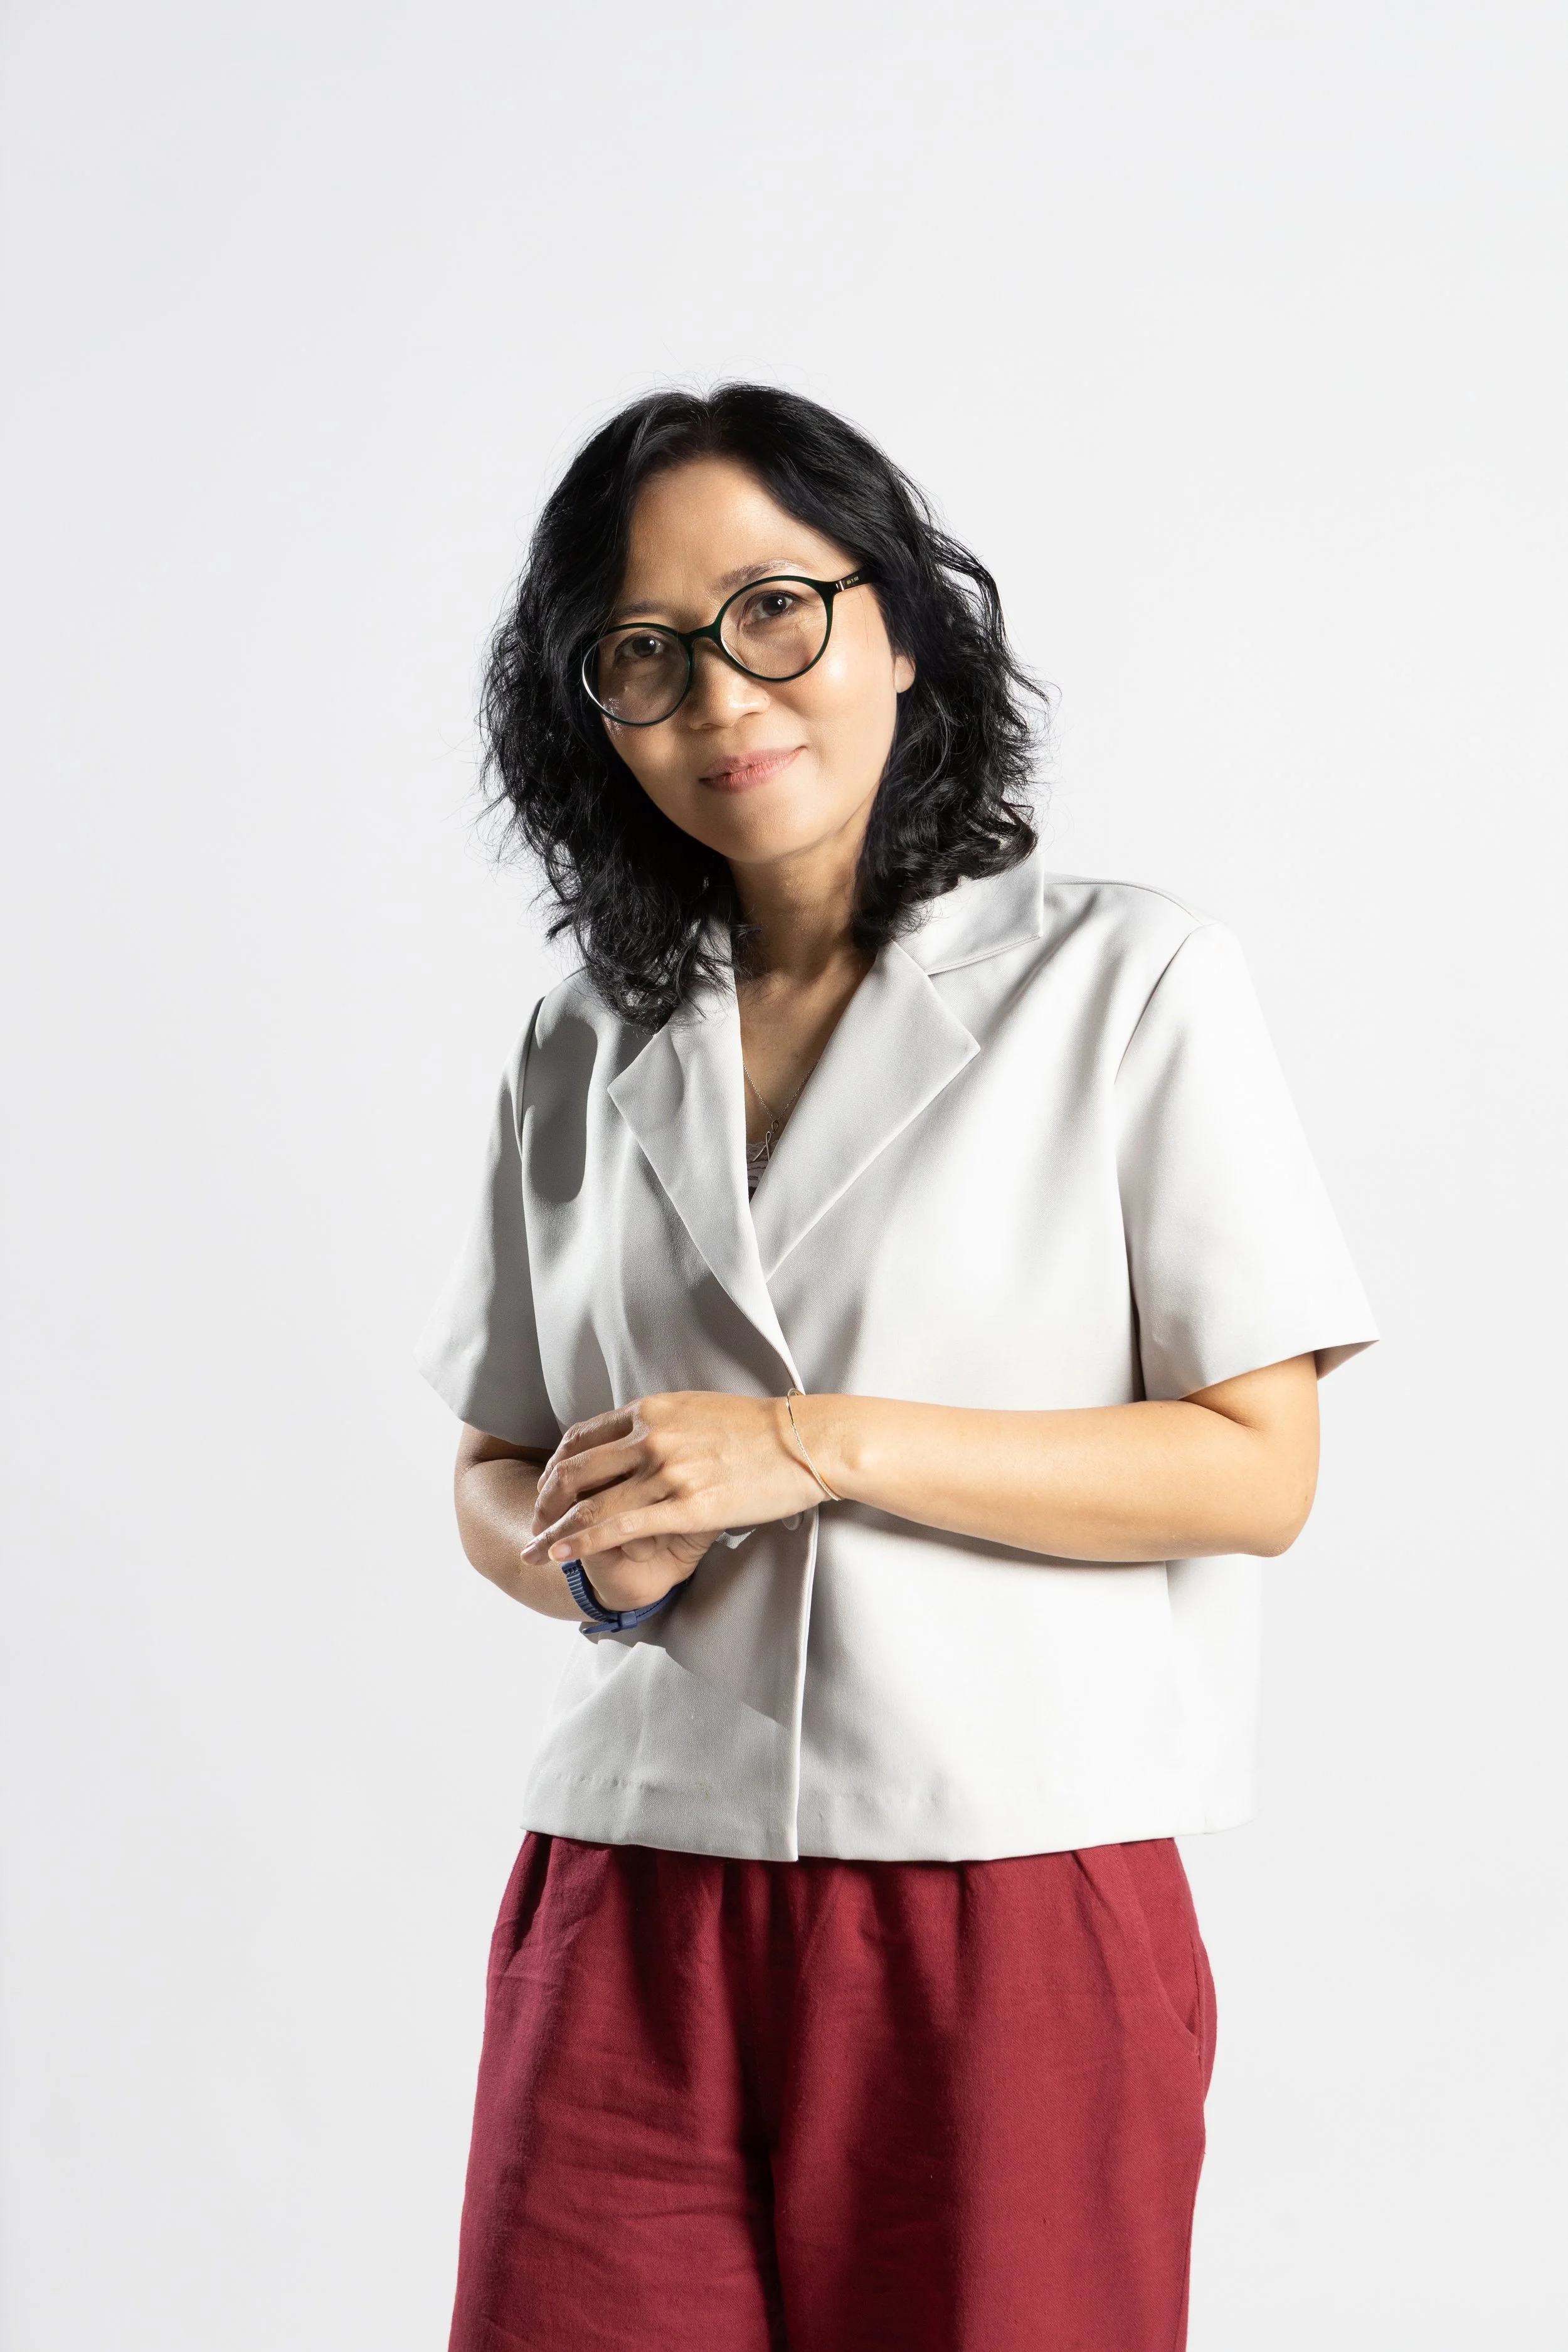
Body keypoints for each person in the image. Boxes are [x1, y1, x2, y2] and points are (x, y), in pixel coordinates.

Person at [415, 383, 1377, 2352]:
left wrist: (805, 1443)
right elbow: (492, 1460)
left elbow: (1250, 1468)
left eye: (776, 609)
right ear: (586, 714)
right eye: (642, 654)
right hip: (631, 1880)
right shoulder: (582, 1034)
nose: (721, 693)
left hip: (1002, 1884)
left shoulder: (1125, 980)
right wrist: (584, 1556)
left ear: (904, 624)